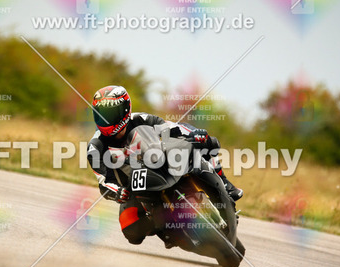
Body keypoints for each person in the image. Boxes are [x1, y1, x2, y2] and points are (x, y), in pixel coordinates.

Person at [86, 85, 243, 246]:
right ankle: (164, 230)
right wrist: (118, 192)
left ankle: (225, 183)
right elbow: (103, 182)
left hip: (159, 164)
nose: (105, 120)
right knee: (131, 230)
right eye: (100, 115)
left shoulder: (140, 119)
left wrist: (194, 134)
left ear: (125, 110)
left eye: (109, 114)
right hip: (132, 190)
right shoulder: (95, 147)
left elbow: (170, 127)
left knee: (204, 144)